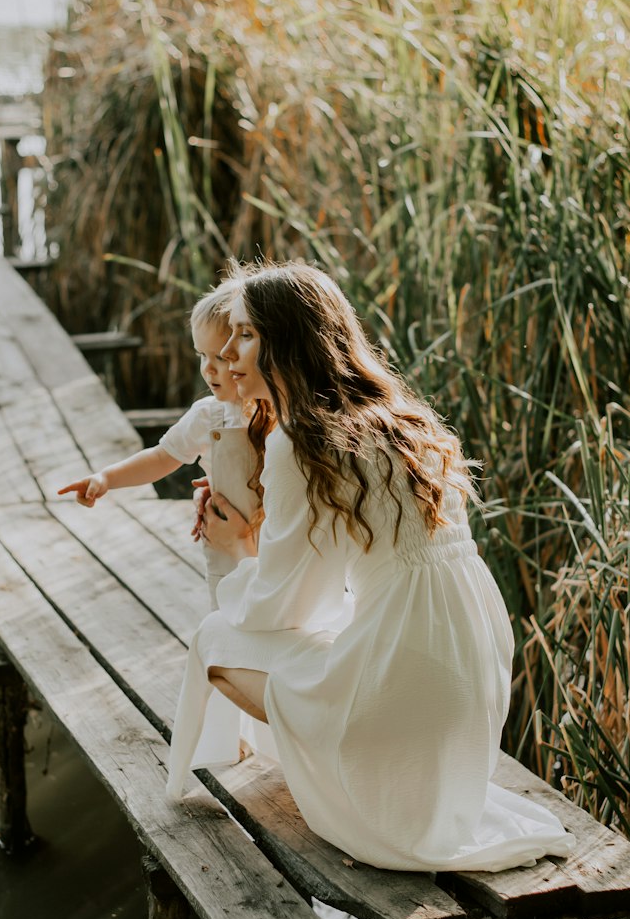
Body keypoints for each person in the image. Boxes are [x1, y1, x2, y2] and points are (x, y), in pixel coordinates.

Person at [166, 263, 575, 874]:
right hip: (474, 660)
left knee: (216, 641)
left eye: (245, 335)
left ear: (289, 341)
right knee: (307, 639)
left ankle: (341, 761)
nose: (227, 351)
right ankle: (353, 749)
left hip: (408, 671)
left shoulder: (300, 440)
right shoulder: (400, 420)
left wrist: (237, 549)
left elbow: (280, 608)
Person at [57, 282, 265, 608]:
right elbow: (160, 457)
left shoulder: (282, 414)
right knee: (230, 610)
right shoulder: (209, 415)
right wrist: (106, 478)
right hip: (225, 540)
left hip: (274, 540)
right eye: (202, 356)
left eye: (221, 358)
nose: (208, 369)